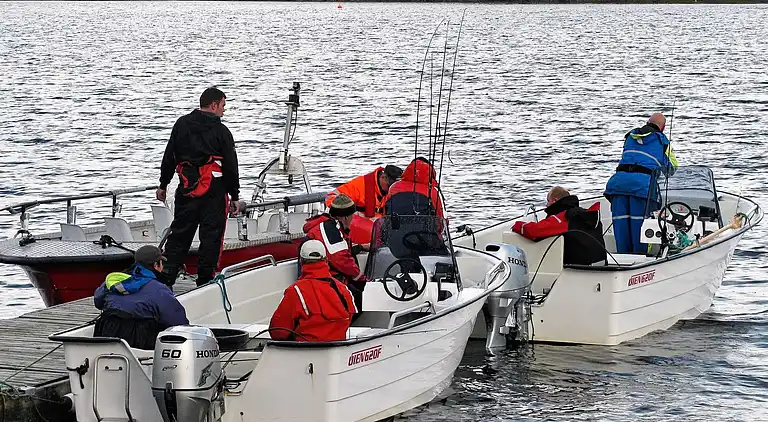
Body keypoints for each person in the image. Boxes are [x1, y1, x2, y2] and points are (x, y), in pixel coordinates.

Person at [156, 87, 245, 287]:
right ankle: (206, 282)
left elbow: (169, 155)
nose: (224, 110)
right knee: (211, 237)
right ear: (213, 105)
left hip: (186, 190)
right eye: (223, 105)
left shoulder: (181, 124)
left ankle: (165, 279)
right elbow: (231, 166)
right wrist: (235, 195)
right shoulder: (221, 132)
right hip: (214, 192)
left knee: (179, 235)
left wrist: (163, 184)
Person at [604, 113, 679, 254]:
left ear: (647, 122)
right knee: (641, 228)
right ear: (662, 128)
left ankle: (623, 259)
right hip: (642, 187)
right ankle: (640, 261)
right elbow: (672, 169)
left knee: (621, 227)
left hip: (617, 185)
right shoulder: (662, 141)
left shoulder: (630, 137)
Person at [93, 245, 189, 349]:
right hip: (140, 342)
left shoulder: (115, 281)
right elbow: (177, 321)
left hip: (107, 335)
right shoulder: (159, 289)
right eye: (161, 263)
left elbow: (98, 302)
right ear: (156, 265)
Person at [269, 240, 357, 342]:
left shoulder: (296, 292)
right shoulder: (343, 290)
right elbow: (349, 318)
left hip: (304, 353)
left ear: (301, 261)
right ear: (326, 260)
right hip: (338, 352)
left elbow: (278, 332)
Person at [303, 194, 371, 310]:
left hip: (321, 278)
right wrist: (362, 279)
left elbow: (336, 251)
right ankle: (344, 325)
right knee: (360, 297)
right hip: (324, 282)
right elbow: (340, 259)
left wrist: (360, 247)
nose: (352, 219)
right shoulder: (330, 230)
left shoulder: (329, 226)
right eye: (351, 215)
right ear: (345, 217)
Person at [512, 187, 607, 265]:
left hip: (580, 267)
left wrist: (517, 225)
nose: (546, 205)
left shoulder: (564, 217)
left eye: (548, 201)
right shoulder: (587, 214)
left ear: (555, 201)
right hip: (600, 262)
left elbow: (534, 231)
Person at [325, 165, 403, 219]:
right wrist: (345, 212)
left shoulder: (393, 192)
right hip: (360, 230)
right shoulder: (359, 185)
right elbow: (331, 196)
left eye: (395, 186)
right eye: (391, 185)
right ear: (383, 177)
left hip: (380, 229)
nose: (392, 189)